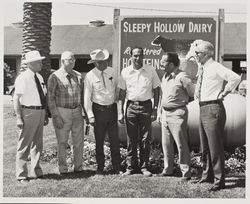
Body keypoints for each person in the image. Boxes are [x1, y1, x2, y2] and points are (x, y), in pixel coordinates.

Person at [192, 40, 241, 191]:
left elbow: (235, 77)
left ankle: (219, 181)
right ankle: (208, 175)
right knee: (205, 146)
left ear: (206, 54)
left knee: (215, 146)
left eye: (198, 53)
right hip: (203, 107)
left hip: (213, 108)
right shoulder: (203, 68)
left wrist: (225, 91)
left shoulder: (215, 67)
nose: (196, 55)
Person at [118, 47, 160, 177]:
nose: (138, 58)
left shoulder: (150, 70)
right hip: (130, 107)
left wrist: (155, 109)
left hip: (146, 107)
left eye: (140, 55)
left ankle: (144, 167)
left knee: (145, 139)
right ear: (131, 57)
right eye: (135, 56)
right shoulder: (125, 72)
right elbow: (122, 93)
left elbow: (157, 90)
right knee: (131, 139)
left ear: (143, 56)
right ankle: (130, 167)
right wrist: (120, 111)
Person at [157, 52, 195, 180]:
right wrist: (159, 113)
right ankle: (168, 170)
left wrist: (181, 104)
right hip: (165, 114)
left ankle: (186, 172)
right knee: (166, 144)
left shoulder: (182, 77)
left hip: (177, 114)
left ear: (171, 64)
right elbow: (162, 97)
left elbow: (192, 93)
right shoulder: (165, 77)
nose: (161, 64)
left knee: (181, 144)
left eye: (163, 62)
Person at [13, 50, 49, 183]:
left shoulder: (39, 77)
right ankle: (21, 174)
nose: (41, 63)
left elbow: (42, 96)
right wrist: (18, 117)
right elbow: (16, 98)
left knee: (37, 144)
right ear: (31, 64)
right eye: (38, 61)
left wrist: (44, 113)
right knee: (24, 144)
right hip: (28, 112)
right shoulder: (23, 78)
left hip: (40, 112)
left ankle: (36, 171)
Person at [84, 49, 121, 175]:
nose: (105, 63)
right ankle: (100, 167)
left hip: (112, 109)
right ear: (96, 63)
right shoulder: (90, 76)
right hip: (98, 110)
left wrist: (119, 110)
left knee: (114, 139)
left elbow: (117, 90)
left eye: (105, 60)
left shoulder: (112, 72)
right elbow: (87, 97)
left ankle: (116, 166)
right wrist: (90, 115)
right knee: (99, 141)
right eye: (101, 62)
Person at [47, 51, 85, 175]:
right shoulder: (54, 77)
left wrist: (84, 112)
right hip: (62, 111)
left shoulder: (78, 75)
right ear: (63, 61)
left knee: (78, 141)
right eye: (70, 59)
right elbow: (50, 98)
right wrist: (55, 115)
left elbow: (83, 96)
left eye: (74, 59)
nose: (73, 61)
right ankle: (63, 169)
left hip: (77, 111)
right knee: (62, 141)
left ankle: (78, 167)